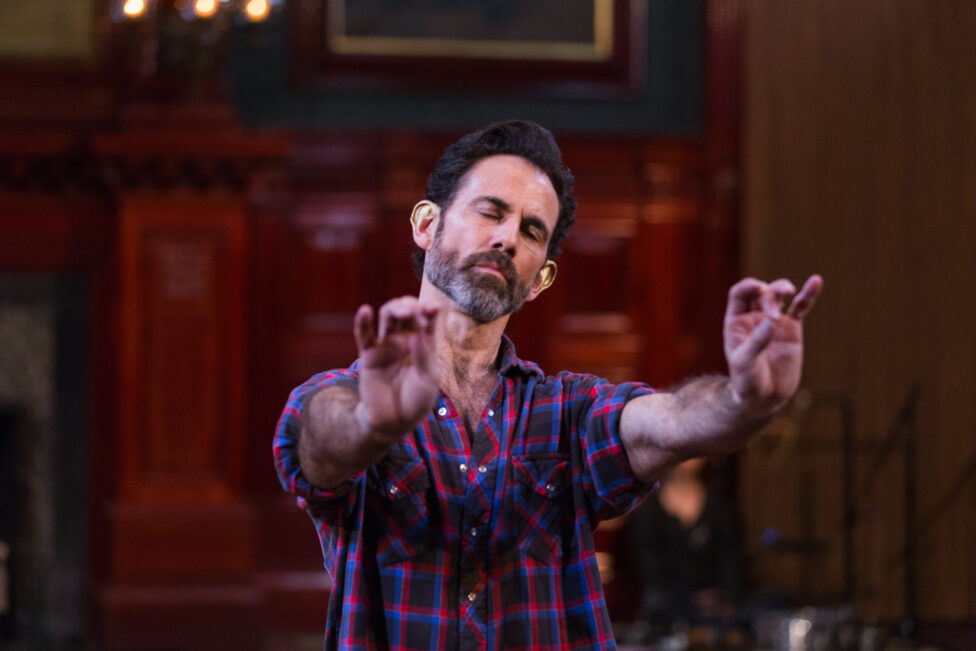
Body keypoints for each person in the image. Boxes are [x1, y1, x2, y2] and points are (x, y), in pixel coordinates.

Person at [273, 120, 823, 650]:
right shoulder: (345, 396)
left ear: (540, 279)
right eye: (491, 212)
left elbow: (668, 421)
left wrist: (743, 400)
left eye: (531, 230)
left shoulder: (567, 411)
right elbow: (318, 447)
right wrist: (371, 422)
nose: (507, 238)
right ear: (425, 224)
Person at [628, 457, 744, 644]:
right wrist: (689, 597)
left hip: (712, 612)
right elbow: (648, 567)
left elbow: (730, 559)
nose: (683, 458)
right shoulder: (648, 511)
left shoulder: (718, 508)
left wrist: (722, 594)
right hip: (665, 608)